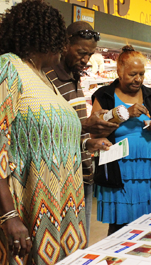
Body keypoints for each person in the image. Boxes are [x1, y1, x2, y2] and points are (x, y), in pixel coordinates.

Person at [0, 1, 111, 263]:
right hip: (30, 205)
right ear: (45, 36)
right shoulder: (9, 67)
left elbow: (46, 136)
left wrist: (86, 145)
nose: (63, 47)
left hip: (63, 206)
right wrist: (8, 216)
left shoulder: (42, 76)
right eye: (60, 38)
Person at [45, 21, 117, 247]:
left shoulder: (74, 76)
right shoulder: (48, 79)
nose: (86, 59)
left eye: (90, 54)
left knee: (80, 241)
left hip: (83, 172)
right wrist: (85, 128)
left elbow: (74, 127)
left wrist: (90, 142)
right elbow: (51, 130)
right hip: (62, 177)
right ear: (64, 45)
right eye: (81, 52)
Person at [91, 45, 151, 235]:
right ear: (119, 71)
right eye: (133, 74)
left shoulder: (150, 95)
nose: (138, 79)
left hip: (147, 171)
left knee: (149, 225)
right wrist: (124, 113)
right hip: (117, 169)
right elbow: (94, 127)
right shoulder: (105, 96)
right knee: (120, 227)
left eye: (142, 74)